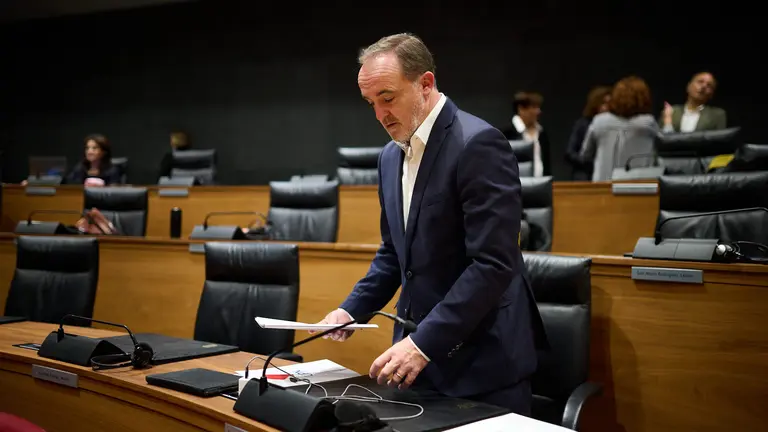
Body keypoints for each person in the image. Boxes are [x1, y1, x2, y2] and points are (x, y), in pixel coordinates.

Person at [313, 33, 547, 415]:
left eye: (387, 98)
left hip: (482, 367)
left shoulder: (478, 144)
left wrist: (424, 343)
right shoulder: (389, 158)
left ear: (425, 84)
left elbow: (493, 264)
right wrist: (351, 310)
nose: (379, 115)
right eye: (370, 103)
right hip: (417, 367)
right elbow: (394, 255)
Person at [579, 76, 660, 181]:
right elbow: (664, 153)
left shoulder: (600, 122)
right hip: (641, 188)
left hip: (603, 187)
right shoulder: (649, 123)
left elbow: (585, 155)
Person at [565, 86, 611, 180]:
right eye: (604, 103)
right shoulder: (583, 124)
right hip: (586, 174)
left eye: (610, 104)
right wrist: (590, 162)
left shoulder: (615, 126)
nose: (607, 107)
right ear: (595, 104)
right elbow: (570, 153)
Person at [501, 91, 551, 177]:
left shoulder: (542, 133)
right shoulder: (507, 133)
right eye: (534, 107)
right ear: (521, 109)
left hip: (541, 185)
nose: (538, 111)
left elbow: (547, 164)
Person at [660, 71, 727, 133]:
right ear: (688, 86)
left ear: (711, 94)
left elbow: (719, 143)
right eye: (700, 82)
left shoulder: (717, 115)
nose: (704, 86)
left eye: (709, 85)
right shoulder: (671, 111)